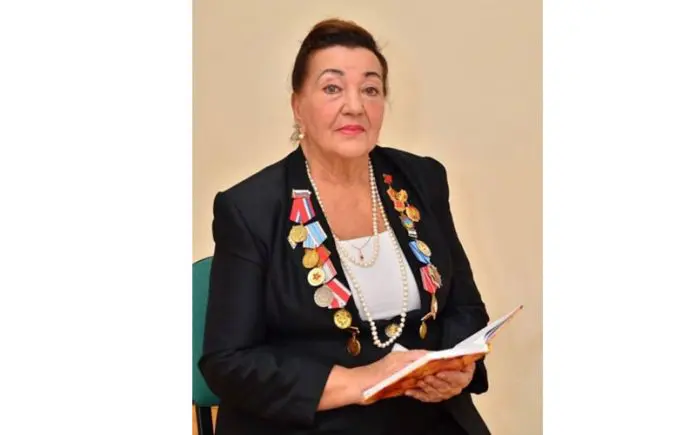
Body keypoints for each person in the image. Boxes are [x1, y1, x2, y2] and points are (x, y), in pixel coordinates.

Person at [199, 18, 491, 435]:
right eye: (332, 88)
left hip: (425, 414)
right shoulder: (251, 208)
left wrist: (457, 367)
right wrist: (360, 381)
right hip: (314, 420)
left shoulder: (422, 180)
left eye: (370, 89)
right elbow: (228, 362)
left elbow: (465, 308)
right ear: (298, 105)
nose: (355, 106)